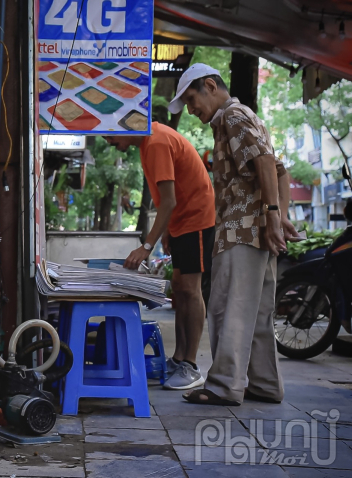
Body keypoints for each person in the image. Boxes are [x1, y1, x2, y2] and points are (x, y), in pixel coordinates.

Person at [167, 63, 300, 406]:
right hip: (256, 231)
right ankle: (265, 384)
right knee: (256, 313)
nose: (192, 110)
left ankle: (224, 386)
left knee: (228, 307)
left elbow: (268, 163)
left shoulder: (233, 115)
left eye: (192, 100)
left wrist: (273, 215)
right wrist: (278, 215)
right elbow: (277, 168)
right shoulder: (239, 117)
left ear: (210, 85)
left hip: (242, 231)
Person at [104, 122, 215, 390]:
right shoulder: (147, 142)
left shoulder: (156, 142)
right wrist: (168, 230)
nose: (107, 141)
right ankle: (178, 357)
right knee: (179, 289)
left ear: (123, 126)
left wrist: (147, 245)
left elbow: (169, 201)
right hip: (181, 222)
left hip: (196, 219)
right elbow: (167, 198)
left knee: (191, 289)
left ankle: (190, 365)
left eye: (107, 133)